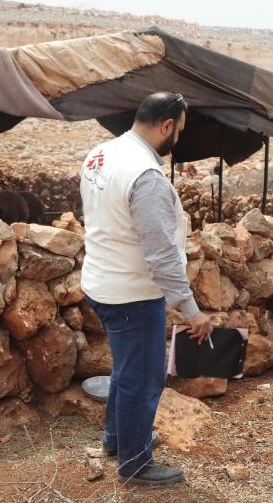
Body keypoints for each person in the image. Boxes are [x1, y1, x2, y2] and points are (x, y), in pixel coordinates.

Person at [80, 92, 212, 486]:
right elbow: (161, 255)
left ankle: (117, 440)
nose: (178, 142)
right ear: (166, 126)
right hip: (132, 296)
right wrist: (191, 309)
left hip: (101, 282)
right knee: (144, 378)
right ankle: (136, 464)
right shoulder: (146, 176)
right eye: (179, 132)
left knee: (127, 369)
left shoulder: (101, 153)